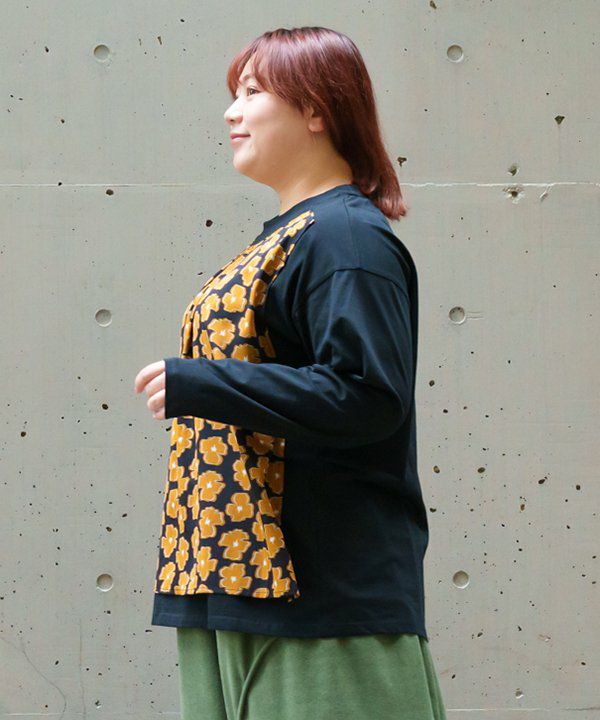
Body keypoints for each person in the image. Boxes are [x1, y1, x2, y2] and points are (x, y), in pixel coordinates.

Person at [134, 25, 447, 720]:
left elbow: (367, 395)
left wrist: (203, 383)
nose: (231, 111)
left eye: (252, 92)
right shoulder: (289, 236)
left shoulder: (346, 237)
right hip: (231, 582)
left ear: (315, 110)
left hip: (319, 600)